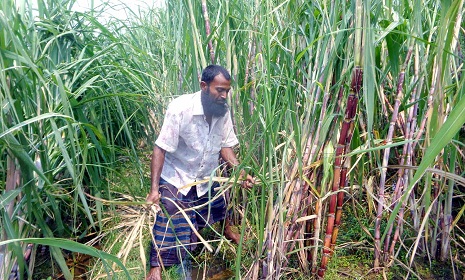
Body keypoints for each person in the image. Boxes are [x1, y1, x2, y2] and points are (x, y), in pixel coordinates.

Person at [146, 65, 254, 280]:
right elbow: (160, 147)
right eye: (219, 90)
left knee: (218, 202)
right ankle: (156, 265)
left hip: (206, 174)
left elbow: (225, 146)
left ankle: (226, 230)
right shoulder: (180, 108)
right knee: (169, 212)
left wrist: (240, 172)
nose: (224, 96)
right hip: (178, 174)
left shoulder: (222, 111)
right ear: (204, 86)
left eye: (227, 91)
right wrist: (154, 189)